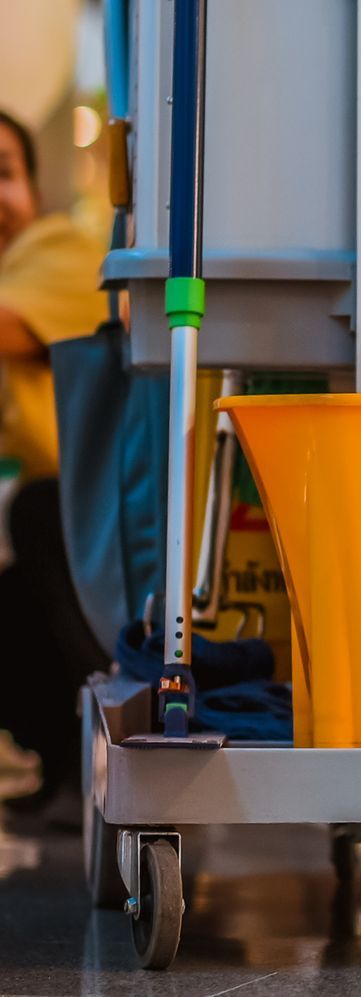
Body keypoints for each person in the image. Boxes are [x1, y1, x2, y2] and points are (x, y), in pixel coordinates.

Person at [0, 108, 111, 810]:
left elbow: (12, 332)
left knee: (41, 508)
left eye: (3, 174)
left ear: (35, 193)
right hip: (65, 530)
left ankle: (100, 759)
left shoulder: (59, 249)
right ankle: (60, 761)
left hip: (109, 527)